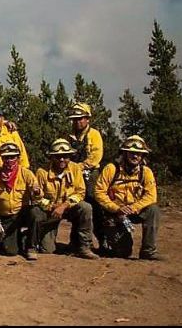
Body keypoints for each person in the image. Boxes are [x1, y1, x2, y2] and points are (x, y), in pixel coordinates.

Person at [94, 135, 162, 260]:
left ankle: (148, 251)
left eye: (138, 153)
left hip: (135, 211)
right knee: (123, 253)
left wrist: (134, 207)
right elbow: (99, 192)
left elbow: (151, 196)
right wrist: (116, 209)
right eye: (131, 153)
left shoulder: (146, 172)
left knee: (153, 210)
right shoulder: (111, 169)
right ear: (124, 153)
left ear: (143, 156)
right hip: (114, 214)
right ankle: (109, 241)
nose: (135, 156)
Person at [31, 139, 100, 260]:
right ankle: (32, 238)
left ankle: (84, 246)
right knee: (47, 250)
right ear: (52, 157)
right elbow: (37, 198)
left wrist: (64, 206)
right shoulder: (42, 172)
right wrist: (52, 206)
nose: (62, 159)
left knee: (86, 208)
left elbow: (80, 192)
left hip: (69, 207)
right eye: (58, 157)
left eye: (65, 156)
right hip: (51, 211)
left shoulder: (75, 169)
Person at [0, 142, 42, 260]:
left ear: (18, 157)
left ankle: (31, 247)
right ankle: (20, 238)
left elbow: (38, 194)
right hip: (6, 217)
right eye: (6, 157)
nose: (9, 160)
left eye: (12, 157)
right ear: (1, 158)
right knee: (10, 251)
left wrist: (36, 192)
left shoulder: (26, 173)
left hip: (22, 213)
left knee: (35, 212)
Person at [67, 102, 105, 248]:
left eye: (81, 118)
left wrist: (78, 168)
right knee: (75, 204)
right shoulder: (68, 136)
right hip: (72, 175)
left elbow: (95, 157)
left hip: (90, 175)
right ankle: (75, 241)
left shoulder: (94, 135)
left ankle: (103, 239)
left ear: (87, 119)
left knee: (94, 206)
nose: (77, 121)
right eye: (75, 119)